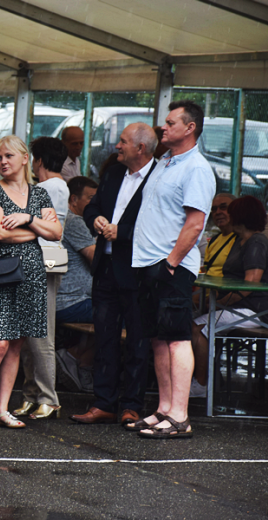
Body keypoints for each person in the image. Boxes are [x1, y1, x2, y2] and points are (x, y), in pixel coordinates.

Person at [131, 100, 215, 439]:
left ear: (190, 127)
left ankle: (180, 415)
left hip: (171, 265)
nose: (162, 127)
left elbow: (195, 223)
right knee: (159, 339)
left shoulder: (196, 167)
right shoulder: (165, 161)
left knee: (178, 339)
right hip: (150, 263)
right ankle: (165, 409)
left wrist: (171, 262)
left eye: (170, 123)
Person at [71, 122, 158, 426]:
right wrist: (95, 220)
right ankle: (104, 402)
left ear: (140, 148)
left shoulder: (160, 177)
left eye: (122, 142)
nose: (117, 147)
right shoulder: (112, 174)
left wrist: (123, 232)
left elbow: (163, 227)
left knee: (137, 340)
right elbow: (90, 207)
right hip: (106, 269)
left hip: (138, 272)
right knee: (104, 338)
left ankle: (132, 405)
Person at [0, 135, 61, 430]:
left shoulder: (39, 194)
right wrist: (38, 228)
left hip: (31, 274)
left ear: (25, 159)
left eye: (8, 156)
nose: (2, 162)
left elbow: (57, 232)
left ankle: (1, 409)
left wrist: (26, 219)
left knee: (16, 344)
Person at [12, 137, 67, 420]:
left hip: (41, 264)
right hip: (37, 264)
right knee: (30, 334)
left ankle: (48, 397)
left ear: (39, 161)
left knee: (41, 334)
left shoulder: (49, 187)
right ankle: (32, 394)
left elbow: (33, 223)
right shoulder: (53, 186)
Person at [191, 196, 268, 397]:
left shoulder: (257, 241)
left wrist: (221, 303)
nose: (226, 215)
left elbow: (251, 282)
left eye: (230, 211)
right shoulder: (240, 240)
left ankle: (201, 384)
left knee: (198, 328)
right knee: (194, 322)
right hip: (238, 306)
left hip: (253, 310)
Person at [54, 176, 98, 392]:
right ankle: (78, 359)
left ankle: (75, 356)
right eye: (90, 198)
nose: (94, 203)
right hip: (70, 301)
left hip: (69, 299)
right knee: (119, 314)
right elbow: (97, 257)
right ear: (73, 199)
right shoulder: (75, 221)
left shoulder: (71, 220)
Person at [202, 193, 237, 278]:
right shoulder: (213, 241)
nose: (217, 212)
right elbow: (205, 270)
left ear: (236, 210)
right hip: (208, 289)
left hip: (228, 290)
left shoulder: (242, 240)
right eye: (214, 209)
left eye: (223, 207)